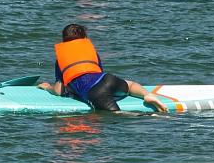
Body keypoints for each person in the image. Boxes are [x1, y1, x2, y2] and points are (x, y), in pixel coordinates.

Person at [38, 24, 167, 112]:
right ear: (85, 38)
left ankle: (149, 117)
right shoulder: (91, 52)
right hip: (109, 79)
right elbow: (97, 72)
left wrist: (48, 87)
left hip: (96, 92)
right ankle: (147, 95)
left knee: (116, 115)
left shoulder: (61, 59)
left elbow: (59, 90)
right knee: (130, 85)